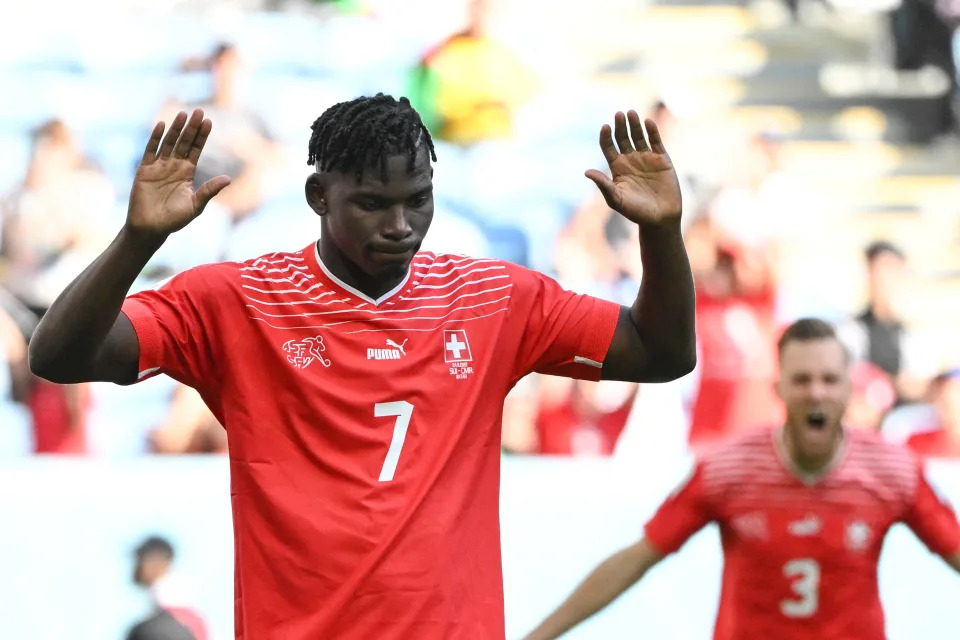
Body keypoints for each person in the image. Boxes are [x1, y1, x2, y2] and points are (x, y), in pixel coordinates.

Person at [28, 95, 696, 638]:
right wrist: (136, 240)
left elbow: (662, 353)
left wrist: (662, 234)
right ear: (319, 195)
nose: (401, 223)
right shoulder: (236, 301)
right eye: (374, 203)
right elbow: (60, 356)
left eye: (419, 199)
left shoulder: (495, 299)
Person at [523, 318, 960, 640]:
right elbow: (638, 556)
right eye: (802, 379)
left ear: (848, 388)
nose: (816, 392)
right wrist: (541, 634)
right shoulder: (729, 469)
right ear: (779, 388)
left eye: (829, 379)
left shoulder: (892, 472)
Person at [127, 536, 208, 640]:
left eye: (140, 559)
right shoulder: (189, 609)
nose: (136, 566)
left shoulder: (161, 622)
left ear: (157, 562)